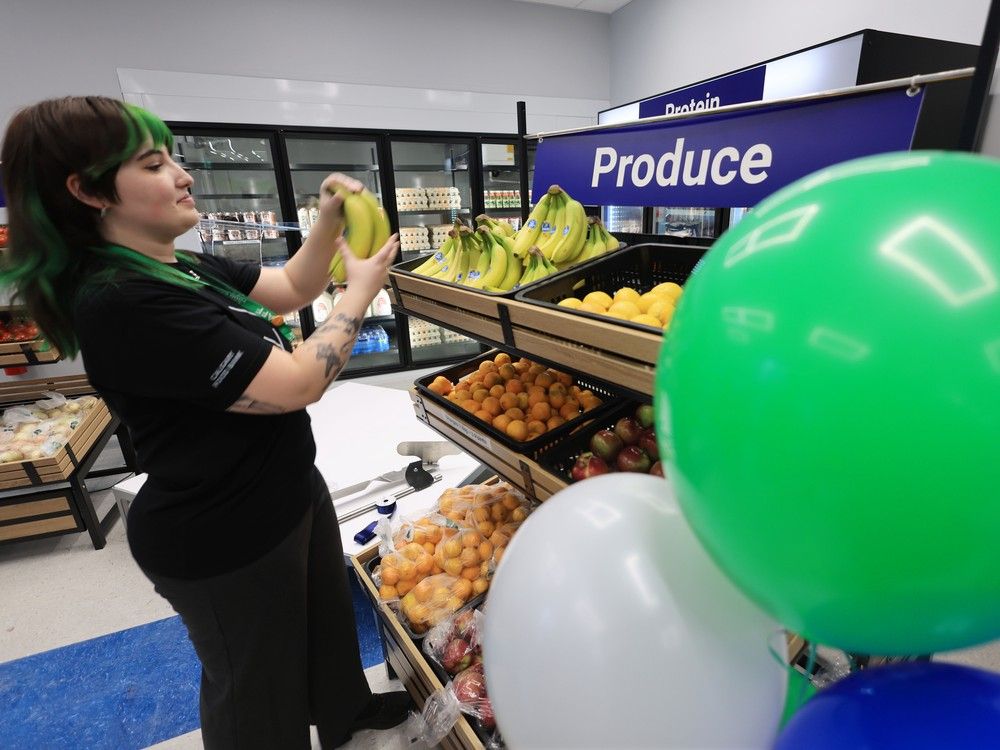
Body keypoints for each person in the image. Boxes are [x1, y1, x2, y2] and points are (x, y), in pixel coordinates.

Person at [0, 96, 411, 749]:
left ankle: (346, 713)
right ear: (87, 191)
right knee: (256, 687)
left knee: (326, 624)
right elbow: (298, 384)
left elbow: (293, 287)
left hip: (280, 484)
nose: (183, 175)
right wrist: (360, 291)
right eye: (155, 164)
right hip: (221, 529)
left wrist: (330, 222)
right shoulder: (122, 300)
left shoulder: (176, 263)